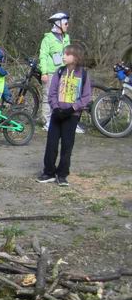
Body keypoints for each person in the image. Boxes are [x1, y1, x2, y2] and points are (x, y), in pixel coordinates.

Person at [37, 44, 92, 186]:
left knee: (67, 146)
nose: (63, 56)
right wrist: (55, 108)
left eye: (67, 54)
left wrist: (72, 109)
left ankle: (62, 175)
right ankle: (48, 172)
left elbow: (86, 97)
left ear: (75, 58)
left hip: (72, 116)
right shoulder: (59, 72)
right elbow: (52, 92)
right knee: (51, 144)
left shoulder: (84, 75)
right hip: (57, 115)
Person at [39, 12, 71, 132]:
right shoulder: (48, 39)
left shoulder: (66, 37)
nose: (67, 25)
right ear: (58, 24)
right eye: (66, 23)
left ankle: (59, 119)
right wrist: (44, 73)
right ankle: (46, 121)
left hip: (64, 72)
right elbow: (43, 56)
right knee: (48, 96)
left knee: (62, 97)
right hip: (51, 72)